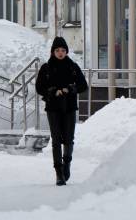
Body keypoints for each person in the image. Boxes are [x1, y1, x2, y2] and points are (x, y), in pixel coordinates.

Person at [35, 37, 87, 186]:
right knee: (56, 140)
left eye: (63, 50)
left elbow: (83, 86)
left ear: (66, 52)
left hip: (69, 107)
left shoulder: (72, 66)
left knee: (69, 139)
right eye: (57, 50)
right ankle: (58, 172)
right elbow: (39, 88)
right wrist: (52, 91)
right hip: (53, 108)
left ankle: (67, 164)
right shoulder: (46, 68)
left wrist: (70, 89)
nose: (60, 53)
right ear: (53, 52)